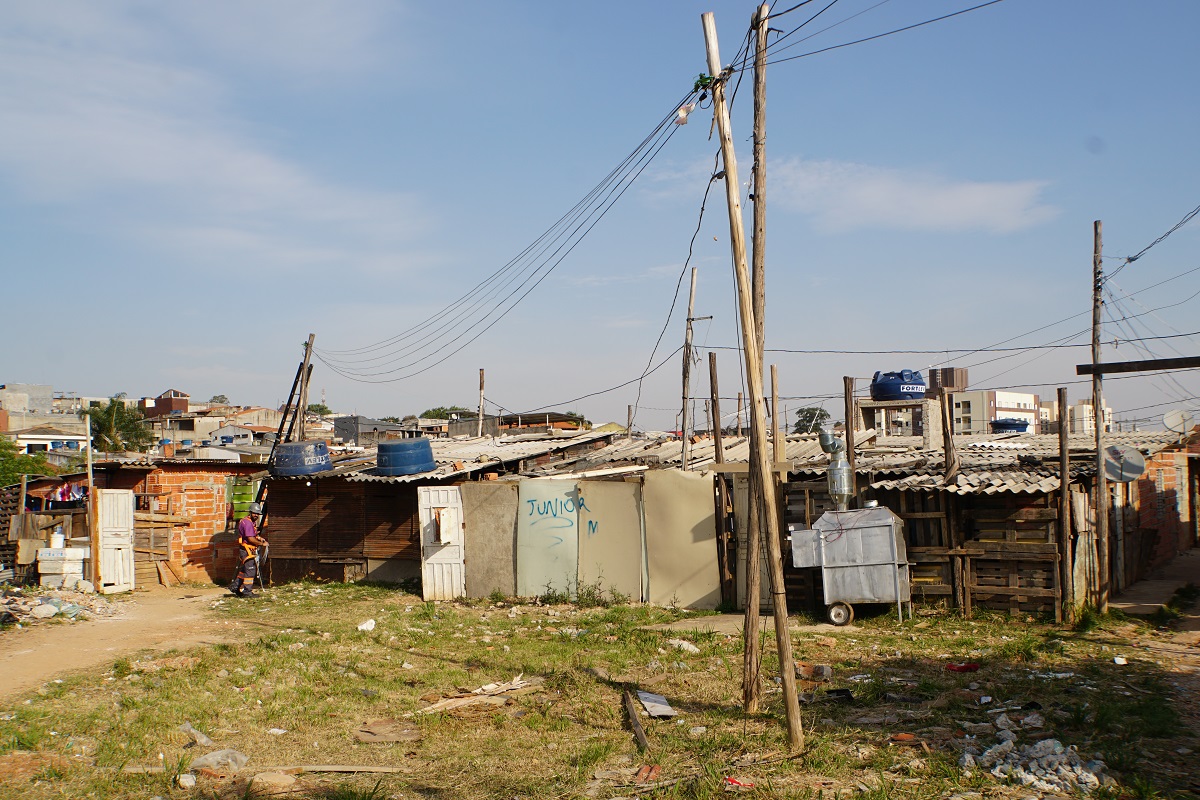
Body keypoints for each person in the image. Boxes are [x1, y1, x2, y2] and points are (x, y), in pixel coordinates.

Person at [230, 502, 267, 597]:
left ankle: (235, 586)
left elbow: (252, 535)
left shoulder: (249, 522)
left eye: (257, 514)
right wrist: (262, 544)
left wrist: (258, 538)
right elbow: (250, 539)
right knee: (250, 570)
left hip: (248, 549)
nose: (256, 515)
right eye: (254, 513)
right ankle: (247, 591)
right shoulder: (247, 523)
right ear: (250, 512)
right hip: (247, 550)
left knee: (244, 570)